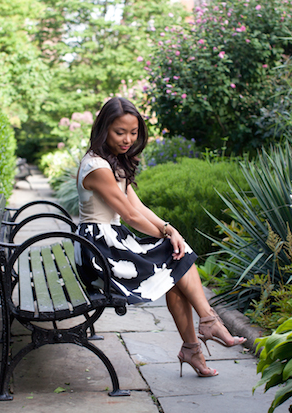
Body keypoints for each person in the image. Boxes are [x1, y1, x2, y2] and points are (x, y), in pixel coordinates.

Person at [74, 97, 246, 378]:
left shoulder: (112, 161)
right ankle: (207, 325)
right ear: (104, 129)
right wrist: (169, 237)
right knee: (178, 257)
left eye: (133, 132)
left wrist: (170, 229)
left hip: (109, 242)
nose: (128, 139)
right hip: (98, 252)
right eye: (120, 132)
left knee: (176, 266)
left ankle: (195, 343)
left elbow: (138, 206)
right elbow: (130, 216)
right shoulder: (97, 167)